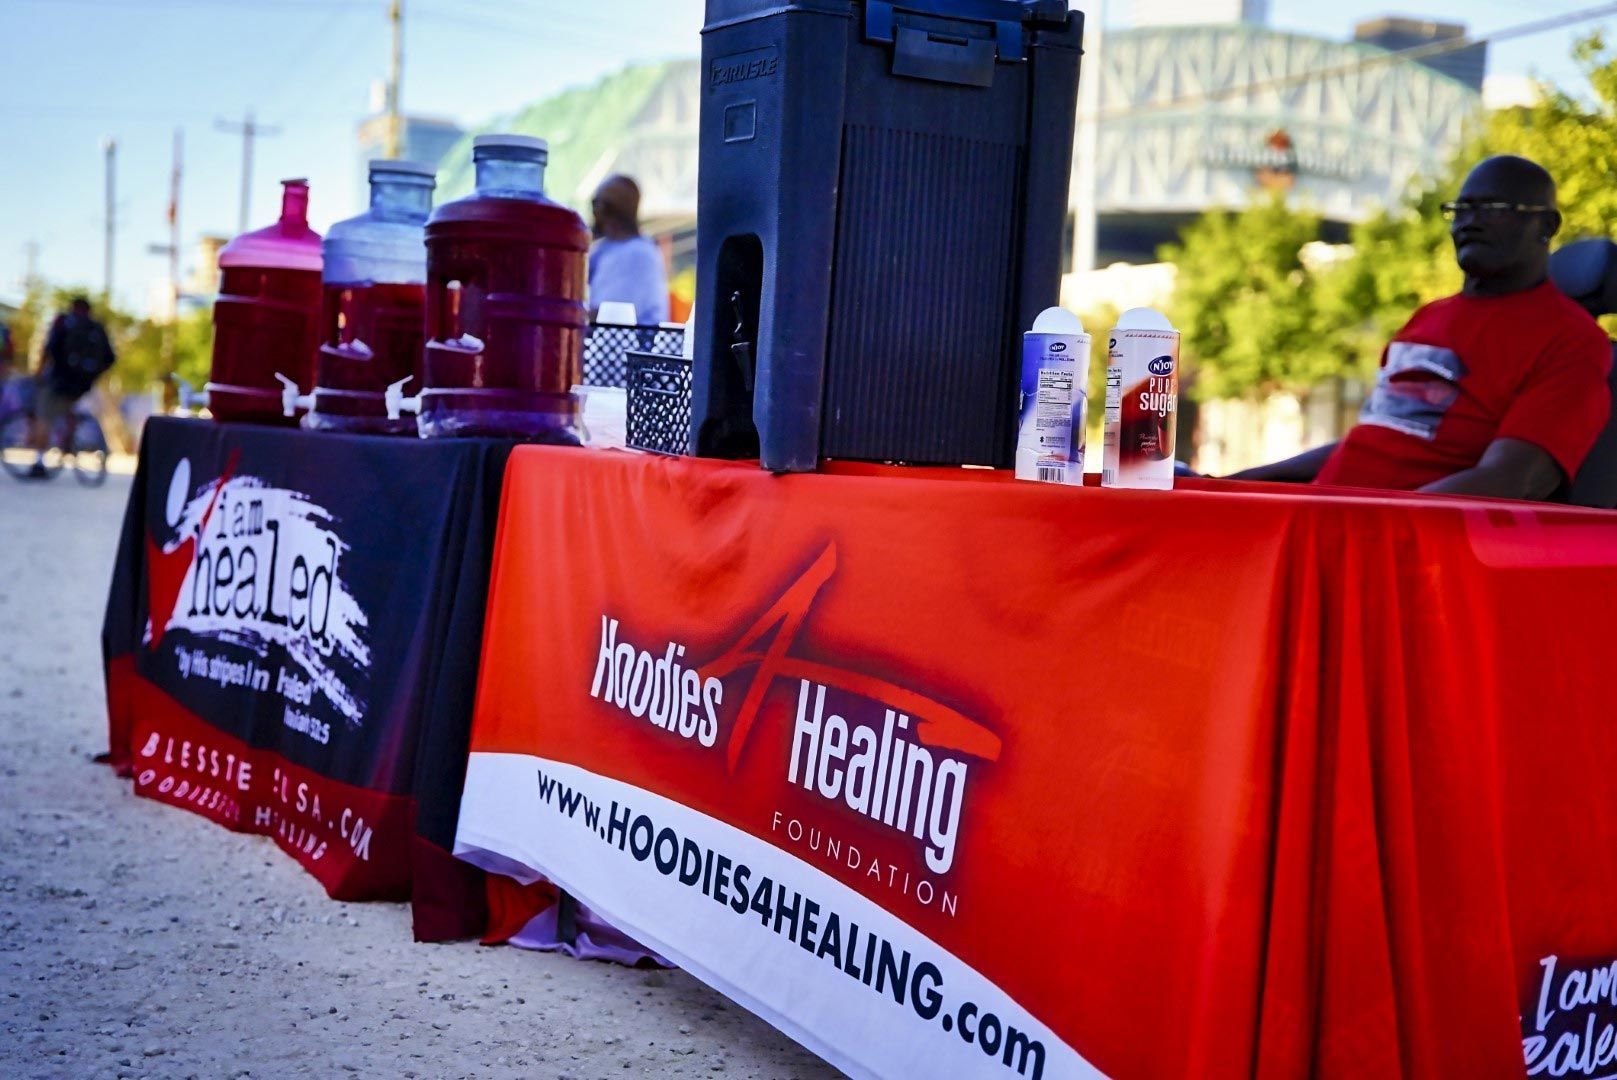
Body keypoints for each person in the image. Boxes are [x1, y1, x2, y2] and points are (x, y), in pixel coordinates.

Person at [1231, 155, 1611, 501]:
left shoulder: (1572, 341)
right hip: (1328, 519)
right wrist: (1236, 482)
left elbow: (1510, 480)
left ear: (1547, 224)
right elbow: (1376, 439)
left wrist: (1365, 518)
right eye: (1459, 209)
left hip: (1403, 547)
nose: (1469, 222)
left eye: (1492, 209)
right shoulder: (1427, 318)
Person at [27, 296, 114, 478]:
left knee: (44, 418)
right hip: (82, 384)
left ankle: (39, 461)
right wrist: (90, 375)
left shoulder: (64, 322)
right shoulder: (95, 327)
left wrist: (40, 372)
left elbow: (49, 348)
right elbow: (110, 358)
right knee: (72, 411)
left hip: (58, 381)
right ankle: (70, 442)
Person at [587, 174, 669, 325]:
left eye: (595, 203)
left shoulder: (638, 254)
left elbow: (608, 315)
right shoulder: (604, 249)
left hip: (635, 345)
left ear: (606, 209)